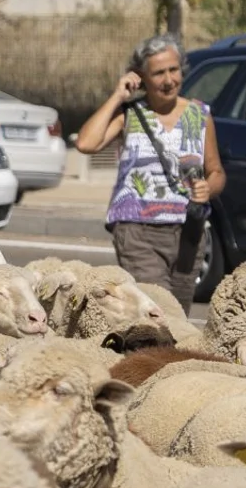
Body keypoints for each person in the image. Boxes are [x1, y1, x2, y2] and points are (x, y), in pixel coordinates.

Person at [72, 34, 224, 303]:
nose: (168, 80)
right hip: (137, 231)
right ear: (141, 76)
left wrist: (207, 188)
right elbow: (86, 143)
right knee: (158, 311)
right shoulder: (129, 113)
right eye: (158, 73)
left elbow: (217, 172)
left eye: (173, 70)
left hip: (189, 231)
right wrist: (117, 96)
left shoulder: (199, 114)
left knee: (179, 318)